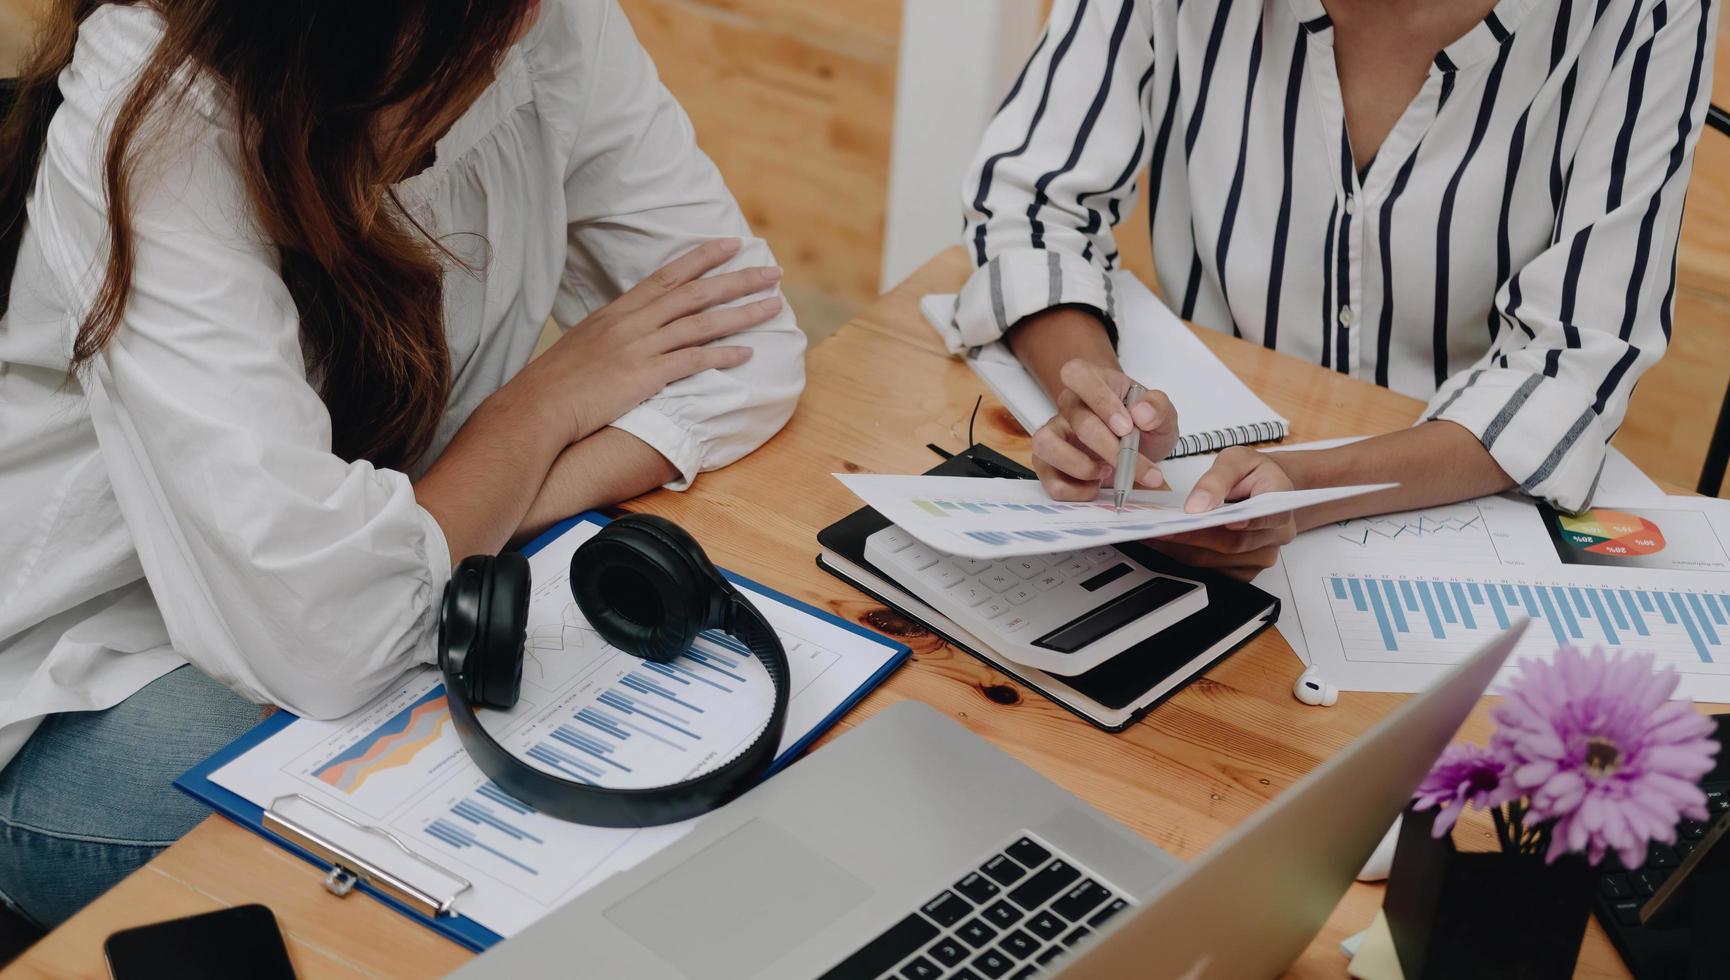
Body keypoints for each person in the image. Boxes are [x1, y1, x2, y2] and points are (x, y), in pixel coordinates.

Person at [0, 0, 806, 927]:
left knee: (647, 775)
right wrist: (539, 408)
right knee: (470, 852)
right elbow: (331, 640)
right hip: (78, 665)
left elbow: (749, 344)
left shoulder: (537, 22)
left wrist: (484, 505)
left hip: (380, 575)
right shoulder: (159, 105)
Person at [954, 0, 1718, 580]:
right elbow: (1030, 205)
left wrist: (1304, 489)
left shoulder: (1646, 11)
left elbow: (1569, 369)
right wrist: (1094, 395)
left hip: (1451, 519)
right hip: (1181, 486)